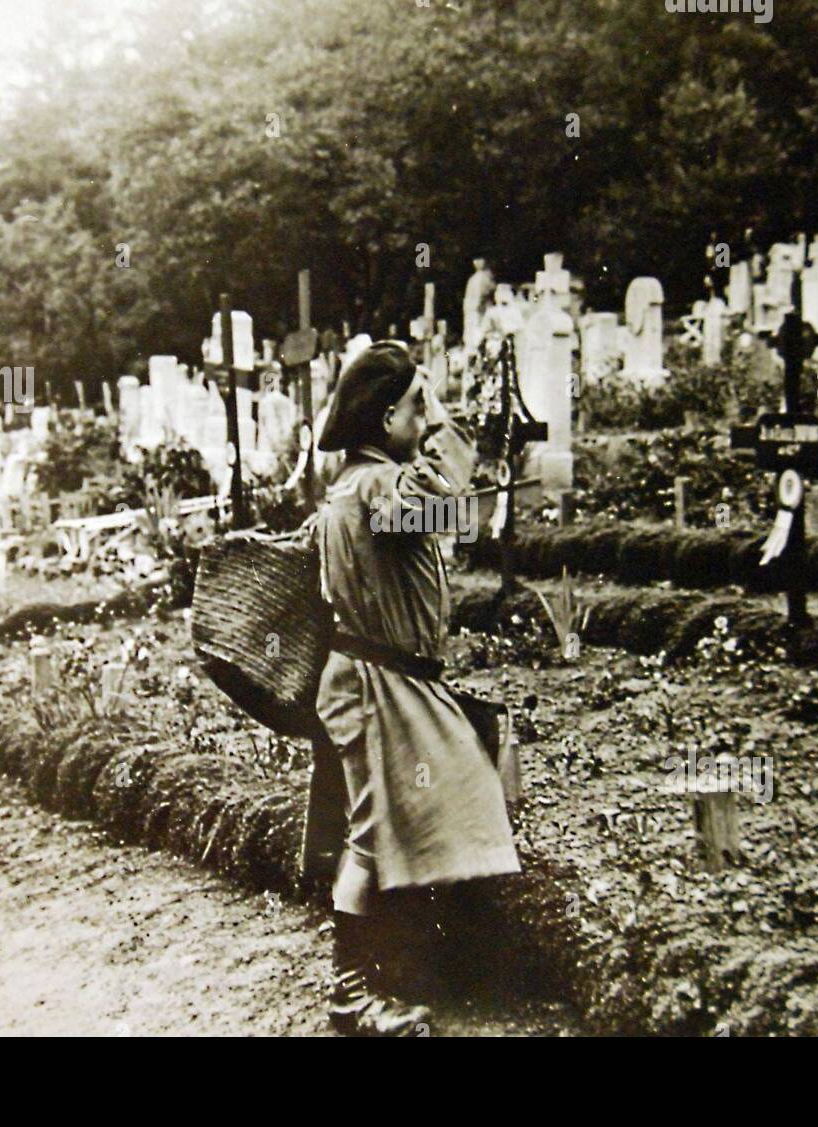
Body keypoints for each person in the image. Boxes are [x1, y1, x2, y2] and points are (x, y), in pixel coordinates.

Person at [300, 339, 520, 1037]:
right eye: (417, 407)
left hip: (391, 678)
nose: (427, 419)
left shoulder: (365, 483)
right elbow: (449, 510)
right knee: (372, 833)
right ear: (385, 417)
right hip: (376, 682)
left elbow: (449, 519)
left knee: (446, 799)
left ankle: (411, 963)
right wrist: (452, 432)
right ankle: (350, 993)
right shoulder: (374, 487)